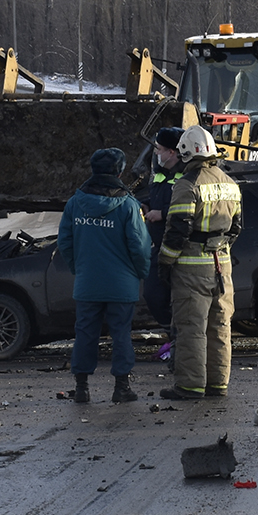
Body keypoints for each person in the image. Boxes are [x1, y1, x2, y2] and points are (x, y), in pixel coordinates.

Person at [57, 147, 152, 404]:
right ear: (120, 171)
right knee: (120, 333)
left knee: (85, 333)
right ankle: (121, 388)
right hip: (122, 284)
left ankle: (81, 388)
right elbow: (140, 247)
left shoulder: (75, 203)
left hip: (88, 282)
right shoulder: (129, 206)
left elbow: (64, 242)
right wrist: (141, 273)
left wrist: (79, 269)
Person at [157, 125, 243, 401]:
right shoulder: (230, 184)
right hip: (223, 266)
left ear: (184, 152)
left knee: (191, 327)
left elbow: (177, 230)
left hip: (192, 268)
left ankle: (190, 385)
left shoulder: (187, 184)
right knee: (220, 326)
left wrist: (165, 262)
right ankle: (218, 384)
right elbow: (236, 228)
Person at [139, 127, 185, 359]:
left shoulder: (186, 176)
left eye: (158, 148)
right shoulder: (159, 172)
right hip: (160, 248)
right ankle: (173, 335)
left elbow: (188, 209)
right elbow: (153, 195)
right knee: (154, 295)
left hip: (182, 250)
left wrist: (162, 213)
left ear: (172, 152)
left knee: (180, 299)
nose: (156, 152)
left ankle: (181, 343)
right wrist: (146, 205)